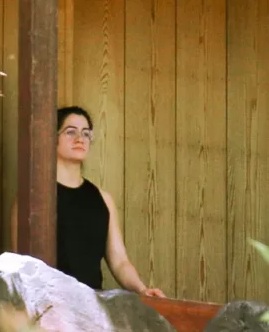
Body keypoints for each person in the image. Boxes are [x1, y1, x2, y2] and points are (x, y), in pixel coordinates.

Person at [10, 106, 165, 297]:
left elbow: (119, 261)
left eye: (86, 133)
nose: (80, 139)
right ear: (52, 139)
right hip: (47, 304)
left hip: (92, 307)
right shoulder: (33, 195)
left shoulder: (103, 200)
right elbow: (21, 260)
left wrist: (142, 289)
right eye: (70, 132)